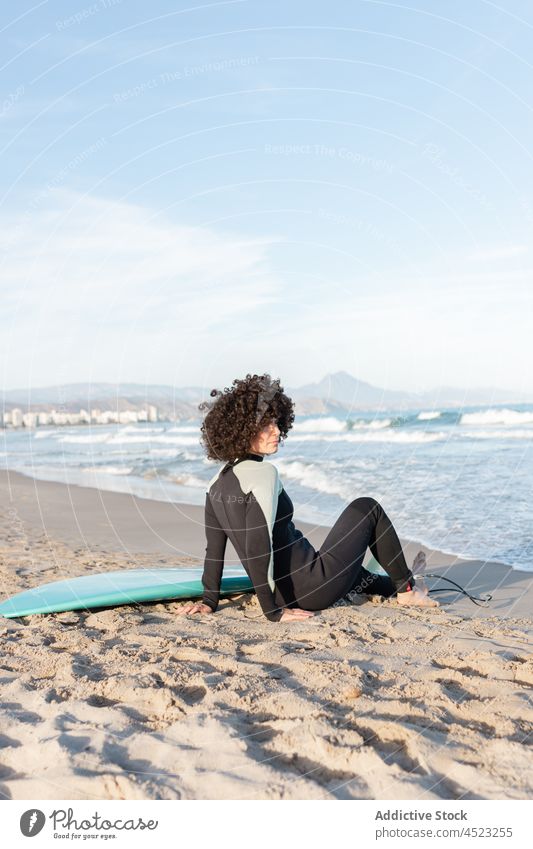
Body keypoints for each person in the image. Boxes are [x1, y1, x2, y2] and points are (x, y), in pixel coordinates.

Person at [178, 373, 438, 623]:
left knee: (357, 574)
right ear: (243, 430)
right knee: (368, 508)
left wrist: (209, 601)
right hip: (312, 586)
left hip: (289, 590)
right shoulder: (263, 474)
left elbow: (214, 551)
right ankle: (407, 592)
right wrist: (273, 613)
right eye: (265, 425)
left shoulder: (214, 485)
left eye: (277, 423)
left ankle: (408, 583)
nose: (276, 431)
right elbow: (258, 546)